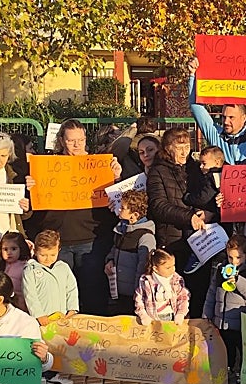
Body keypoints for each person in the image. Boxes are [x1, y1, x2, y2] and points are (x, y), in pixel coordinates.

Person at [26, 119, 121, 315]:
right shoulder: (46, 166)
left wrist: (116, 177)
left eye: (81, 140)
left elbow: (116, 199)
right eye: (71, 141)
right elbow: (32, 206)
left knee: (93, 293)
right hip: (58, 241)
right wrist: (31, 187)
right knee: (58, 296)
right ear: (61, 140)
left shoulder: (99, 164)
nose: (77, 145)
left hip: (91, 239)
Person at [188, 56, 246, 164]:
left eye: (231, 117)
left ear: (244, 118)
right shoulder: (216, 134)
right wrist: (192, 75)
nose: (226, 121)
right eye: (224, 117)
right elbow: (196, 107)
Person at [203, 234, 246, 380]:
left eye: (238, 258)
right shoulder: (220, 270)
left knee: (243, 350)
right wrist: (207, 314)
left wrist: (238, 280)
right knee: (225, 350)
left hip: (240, 323)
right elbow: (211, 293)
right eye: (230, 258)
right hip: (222, 321)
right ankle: (227, 371)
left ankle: (243, 375)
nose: (234, 262)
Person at [106, 190, 156, 317]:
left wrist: (137, 291)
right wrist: (110, 260)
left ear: (134, 215)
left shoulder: (145, 236)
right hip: (117, 290)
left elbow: (144, 267)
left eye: (123, 208)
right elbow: (114, 248)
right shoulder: (121, 229)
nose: (119, 210)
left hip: (133, 296)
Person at [22, 229, 80, 325]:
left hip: (63, 316)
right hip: (42, 318)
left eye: (53, 254)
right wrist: (38, 314)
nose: (48, 258)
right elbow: (30, 294)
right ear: (35, 251)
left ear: (59, 250)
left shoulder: (63, 267)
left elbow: (71, 289)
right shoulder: (30, 269)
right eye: (43, 255)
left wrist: (72, 309)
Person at [134, 248, 190, 324]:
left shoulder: (176, 280)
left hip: (171, 317)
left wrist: (181, 314)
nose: (172, 269)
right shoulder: (146, 281)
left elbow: (183, 298)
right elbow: (139, 299)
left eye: (173, 265)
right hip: (151, 318)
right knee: (156, 336)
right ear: (155, 269)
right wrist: (143, 315)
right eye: (168, 268)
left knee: (168, 334)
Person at [0, 230, 32, 301]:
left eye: (13, 249)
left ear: (21, 249)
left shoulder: (25, 266)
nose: (9, 252)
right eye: (5, 249)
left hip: (21, 300)